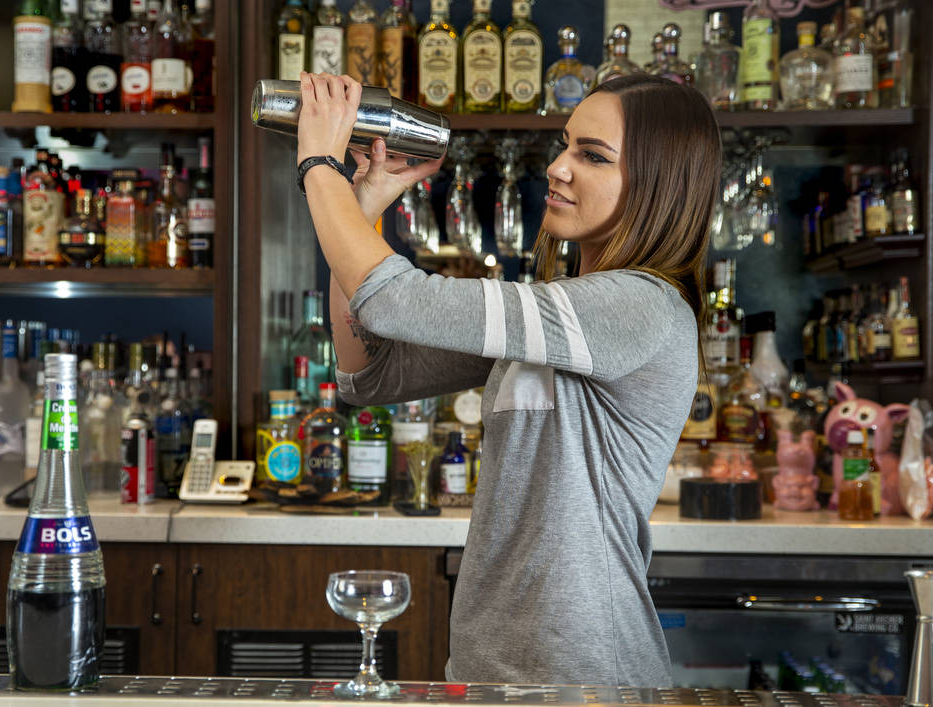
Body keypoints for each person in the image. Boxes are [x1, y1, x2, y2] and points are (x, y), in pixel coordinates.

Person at [295, 71, 720, 687]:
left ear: (658, 186)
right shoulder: (557, 312)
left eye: (592, 156)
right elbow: (372, 374)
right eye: (566, 144)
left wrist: (318, 165)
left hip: (588, 677)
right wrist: (359, 207)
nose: (558, 167)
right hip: (488, 667)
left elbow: (394, 300)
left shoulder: (643, 307)